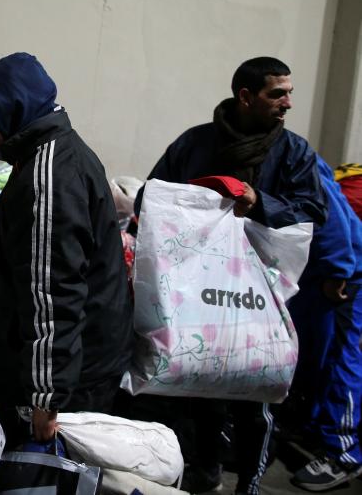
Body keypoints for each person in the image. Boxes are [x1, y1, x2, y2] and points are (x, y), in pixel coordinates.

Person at [135, 56, 327, 494]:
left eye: (290, 92)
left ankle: (250, 483)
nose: (288, 103)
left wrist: (259, 202)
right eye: (277, 93)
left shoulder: (294, 153)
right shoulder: (195, 144)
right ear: (246, 97)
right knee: (203, 385)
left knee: (256, 392)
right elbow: (154, 196)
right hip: (200, 288)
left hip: (259, 291)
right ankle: (206, 474)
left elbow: (314, 212)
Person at [0, 52, 132, 447]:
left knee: (49, 478)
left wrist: (46, 399)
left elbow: (54, 295)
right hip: (73, 365)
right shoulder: (49, 152)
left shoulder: (49, 177)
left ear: (15, 107)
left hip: (72, 377)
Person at [286, 156, 362, 491]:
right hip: (319, 268)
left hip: (346, 269)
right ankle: (310, 422)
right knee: (309, 347)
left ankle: (343, 453)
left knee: (342, 356)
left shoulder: (293, 157)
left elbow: (337, 223)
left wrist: (339, 270)